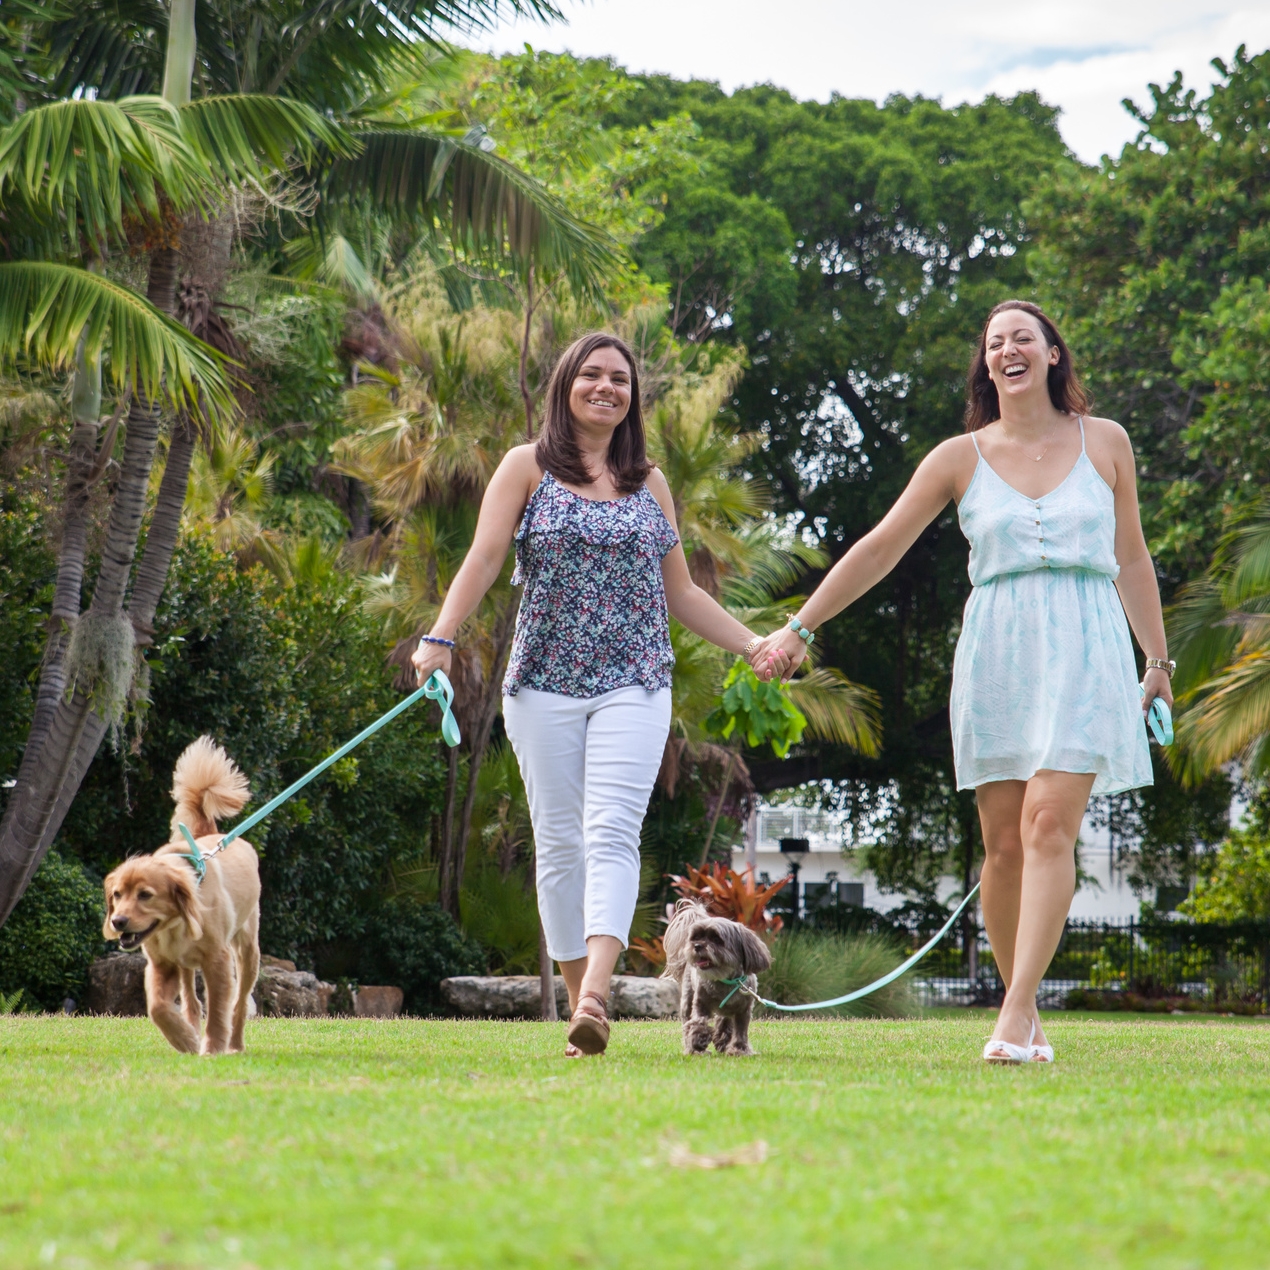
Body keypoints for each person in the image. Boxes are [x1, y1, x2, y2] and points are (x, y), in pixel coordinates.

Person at [754, 300, 1173, 1064]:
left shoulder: (1106, 442)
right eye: (994, 343)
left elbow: (1134, 557)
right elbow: (880, 548)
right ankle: (1029, 1021)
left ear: (1053, 353)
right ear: (987, 365)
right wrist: (799, 627)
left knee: (1050, 824)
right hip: (999, 649)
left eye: (1023, 338)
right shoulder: (958, 457)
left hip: (1086, 645)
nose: (1008, 349)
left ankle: (1013, 1015)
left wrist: (1157, 661)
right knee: (1003, 845)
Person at [411, 332, 780, 1057]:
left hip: (635, 681)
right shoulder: (526, 468)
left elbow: (680, 593)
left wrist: (752, 643)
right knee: (558, 842)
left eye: (620, 378)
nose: (607, 387)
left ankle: (593, 996)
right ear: (565, 385)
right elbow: (484, 557)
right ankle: (586, 1009)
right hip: (542, 679)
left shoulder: (650, 481)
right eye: (592, 375)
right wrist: (440, 637)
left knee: (612, 831)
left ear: (632, 396)